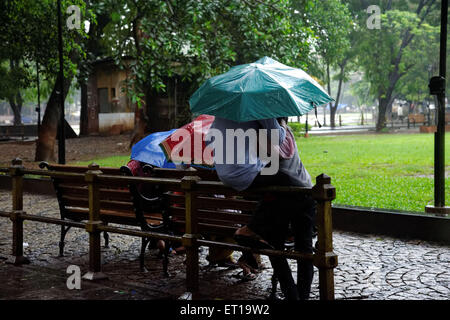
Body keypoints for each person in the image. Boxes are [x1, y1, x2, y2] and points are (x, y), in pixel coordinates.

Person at [209, 116, 316, 300]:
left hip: (238, 180)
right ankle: (299, 296)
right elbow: (279, 145)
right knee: (301, 247)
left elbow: (209, 141)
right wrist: (279, 125)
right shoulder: (268, 122)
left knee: (274, 242)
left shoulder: (224, 117)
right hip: (299, 193)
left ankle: (293, 295)